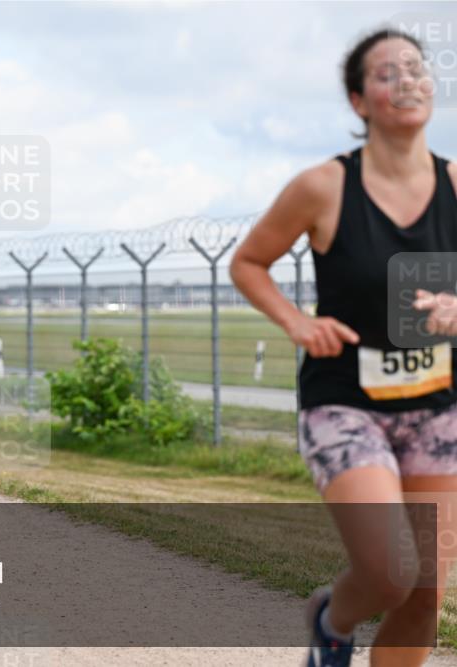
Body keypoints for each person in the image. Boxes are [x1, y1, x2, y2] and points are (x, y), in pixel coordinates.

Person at [230, 29, 457, 667]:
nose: (406, 81)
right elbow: (248, 263)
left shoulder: (455, 183)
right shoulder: (323, 187)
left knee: (425, 594)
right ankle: (332, 621)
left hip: (437, 406)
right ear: (359, 101)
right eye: (387, 73)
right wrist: (296, 322)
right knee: (389, 571)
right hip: (345, 403)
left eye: (416, 69)